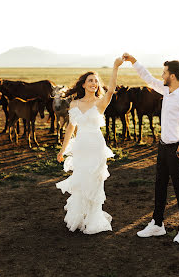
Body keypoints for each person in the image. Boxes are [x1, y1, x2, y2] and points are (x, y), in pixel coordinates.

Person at [122, 53, 179, 243]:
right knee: (159, 185)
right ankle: (157, 224)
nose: (162, 76)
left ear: (172, 75)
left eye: (164, 73)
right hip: (163, 147)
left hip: (176, 149)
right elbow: (147, 77)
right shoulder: (165, 90)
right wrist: (133, 61)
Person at [56, 57, 123, 234]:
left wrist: (115, 67)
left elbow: (111, 90)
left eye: (96, 81)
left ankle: (93, 219)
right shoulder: (74, 104)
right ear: (83, 84)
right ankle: (79, 217)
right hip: (80, 148)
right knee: (80, 182)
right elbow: (71, 127)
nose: (94, 83)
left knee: (94, 183)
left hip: (96, 147)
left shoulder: (100, 102)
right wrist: (63, 150)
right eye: (90, 80)